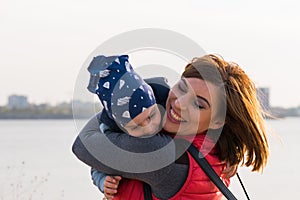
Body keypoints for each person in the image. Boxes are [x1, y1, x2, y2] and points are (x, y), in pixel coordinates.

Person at [72, 54, 269, 200]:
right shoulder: (216, 152)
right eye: (182, 88)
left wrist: (124, 101)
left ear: (218, 122)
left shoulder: (162, 154)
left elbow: (83, 144)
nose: (179, 103)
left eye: (198, 104)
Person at [86, 54, 166, 194]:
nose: (149, 127)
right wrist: (103, 181)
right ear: (121, 126)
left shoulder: (168, 108)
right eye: (136, 126)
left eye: (151, 116)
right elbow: (97, 164)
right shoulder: (110, 132)